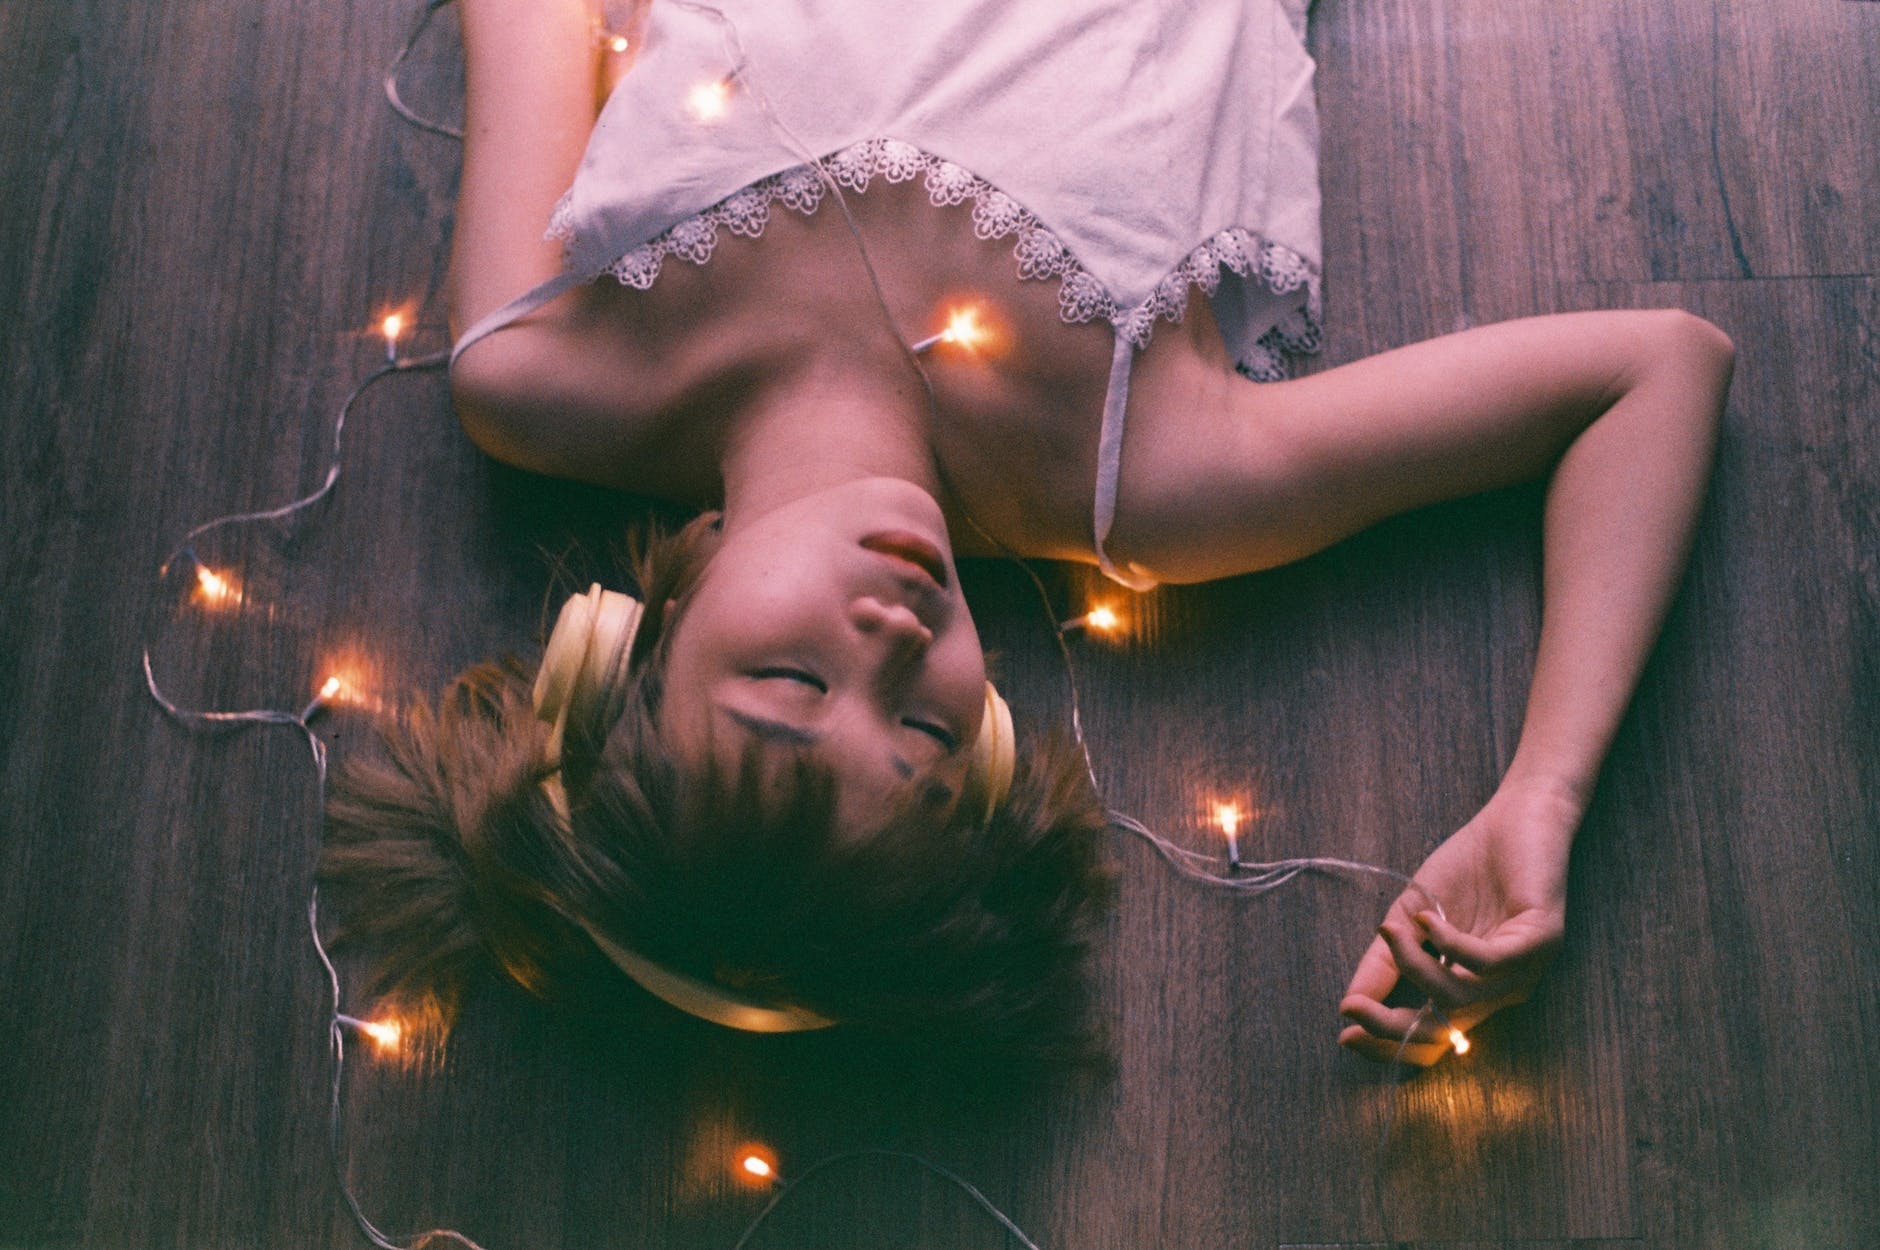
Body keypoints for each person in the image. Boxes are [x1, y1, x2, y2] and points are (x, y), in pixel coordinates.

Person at [323, 0, 1734, 1070]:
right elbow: (1656, 370)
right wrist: (1541, 796)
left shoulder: (539, 368)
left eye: (792, 689)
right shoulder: (1155, 478)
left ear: (633, 655)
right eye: (929, 742)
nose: (891, 646)